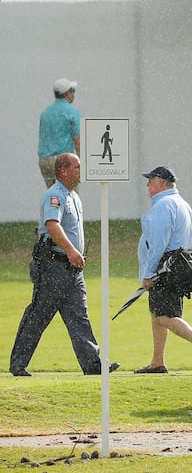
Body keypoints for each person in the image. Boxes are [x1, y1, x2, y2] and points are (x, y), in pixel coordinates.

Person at [9, 153, 114, 376]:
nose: (81, 170)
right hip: (54, 266)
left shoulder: (73, 196)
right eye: (77, 166)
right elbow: (52, 225)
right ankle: (18, 364)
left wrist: (75, 256)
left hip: (72, 269)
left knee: (78, 314)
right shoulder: (55, 195)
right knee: (40, 314)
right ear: (63, 170)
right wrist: (71, 250)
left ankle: (93, 364)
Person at [134, 165, 192, 374]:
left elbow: (158, 243)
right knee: (158, 314)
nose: (147, 184)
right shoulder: (181, 203)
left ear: (161, 182)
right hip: (179, 264)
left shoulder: (164, 205)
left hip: (167, 267)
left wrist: (147, 273)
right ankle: (157, 362)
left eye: (151, 180)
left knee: (164, 317)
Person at [37, 78, 82, 187]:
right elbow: (78, 141)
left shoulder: (45, 113)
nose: (73, 94)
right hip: (64, 162)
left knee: (53, 198)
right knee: (70, 199)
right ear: (67, 93)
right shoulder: (73, 112)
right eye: (72, 90)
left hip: (45, 161)